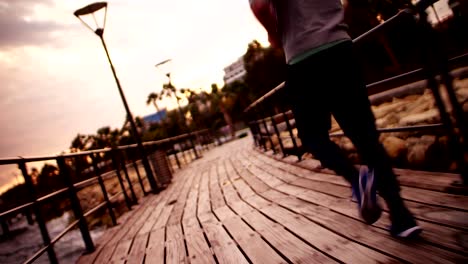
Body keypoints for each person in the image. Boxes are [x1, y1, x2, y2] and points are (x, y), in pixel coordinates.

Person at [249, 0, 422, 238]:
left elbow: (260, 5)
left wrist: (274, 34)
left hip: (304, 59)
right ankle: (402, 216)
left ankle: (355, 178)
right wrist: (336, 18)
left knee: (312, 137)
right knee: (366, 137)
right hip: (341, 48)